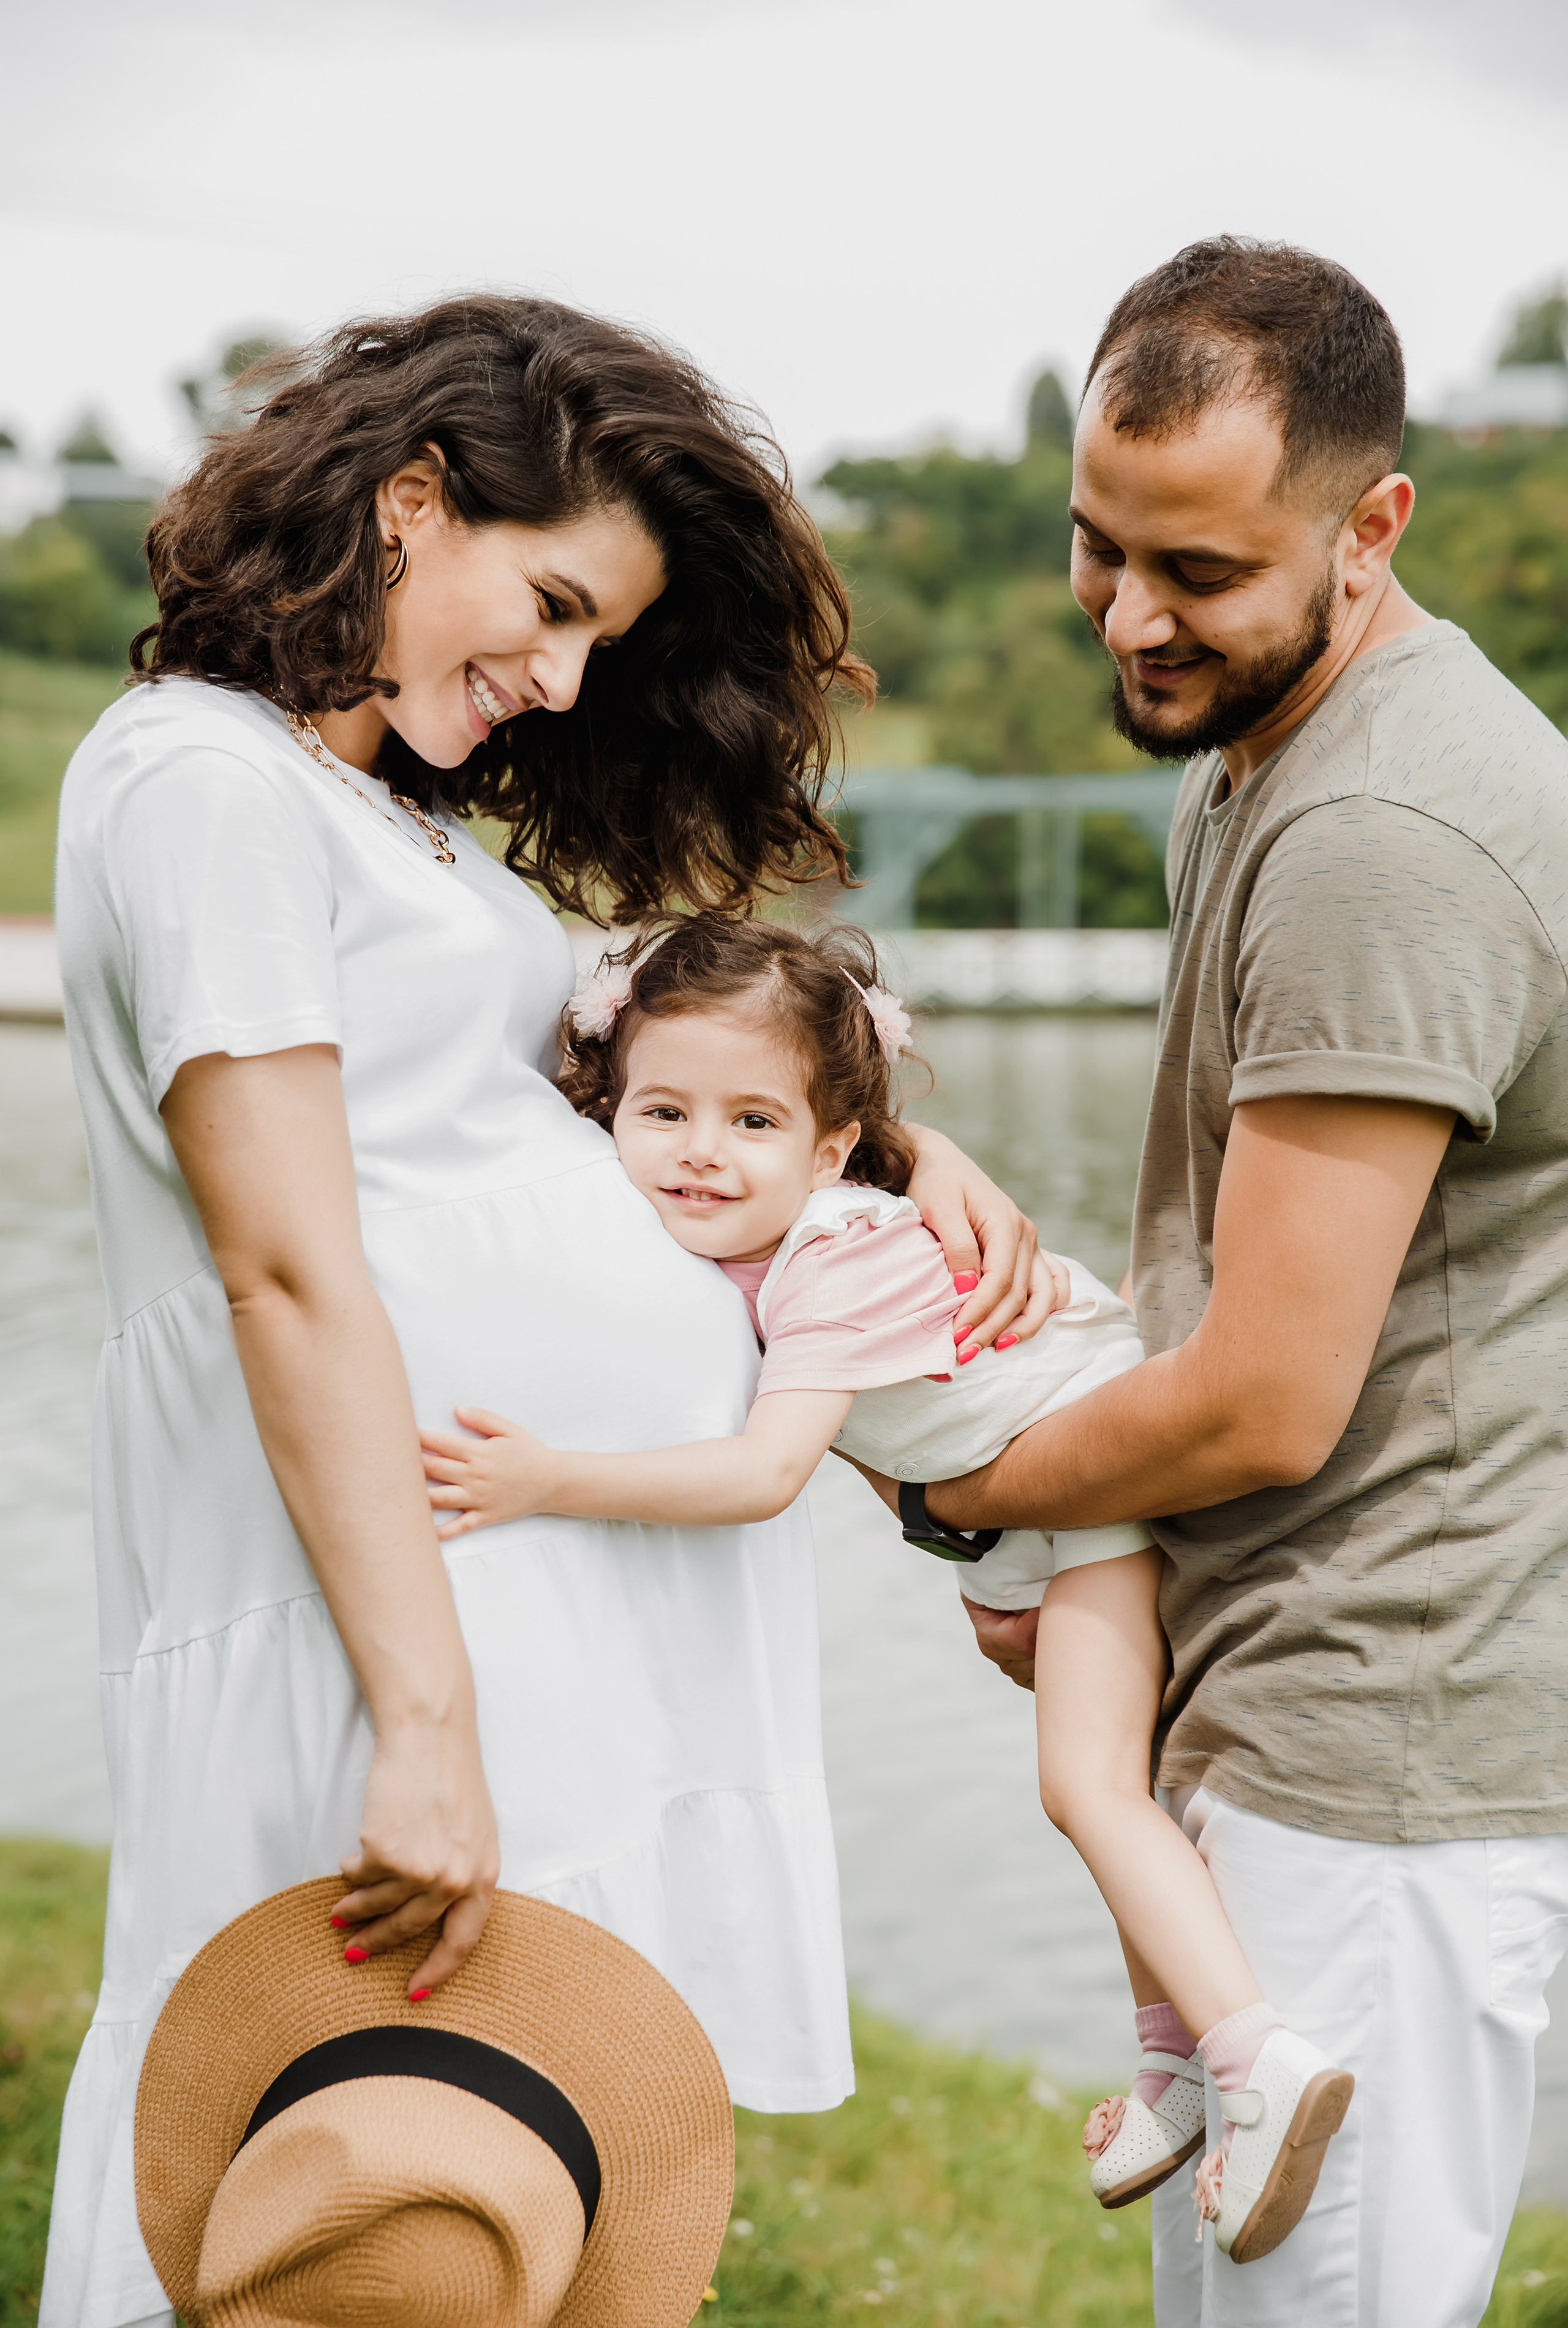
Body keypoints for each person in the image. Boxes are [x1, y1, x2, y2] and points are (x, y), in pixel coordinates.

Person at [43, 295, 1044, 2328]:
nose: (566, 675)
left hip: (512, 1588)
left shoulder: (391, 820)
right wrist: (427, 1718)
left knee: (486, 2197)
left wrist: (871, 1152)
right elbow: (288, 1266)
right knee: (327, 2188)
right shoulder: (204, 785)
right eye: (558, 599)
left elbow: (598, 1114)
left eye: (603, 642)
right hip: (371, 1613)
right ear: (411, 501)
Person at [872, 237, 1568, 2327]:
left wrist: (968, 1494)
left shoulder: (1388, 836)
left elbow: (1264, 1400)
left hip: (1382, 1742)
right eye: (1101, 548)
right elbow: (1226, 1278)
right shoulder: (1254, 757)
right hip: (1280, 1686)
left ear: (1373, 529)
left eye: (1203, 570)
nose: (1135, 615)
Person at [417, 913, 1355, 2267]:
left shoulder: (835, 1253)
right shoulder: (733, 1225)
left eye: (751, 1122)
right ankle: (1179, 2070)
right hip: (1046, 1510)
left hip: (1104, 1493)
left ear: (831, 1149)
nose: (700, 1150)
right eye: (663, 1111)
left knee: (1086, 1788)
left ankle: (1252, 2052)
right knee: (1117, 1787)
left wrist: (547, 1478)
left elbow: (765, 1471)